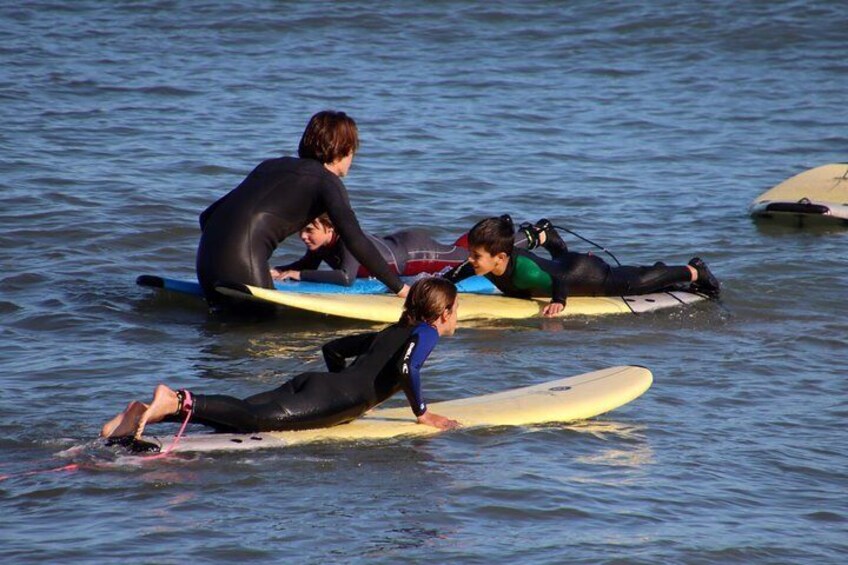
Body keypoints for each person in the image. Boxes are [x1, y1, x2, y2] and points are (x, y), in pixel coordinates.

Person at [100, 279, 461, 440]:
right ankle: (178, 398)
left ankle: (151, 413)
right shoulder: (426, 332)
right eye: (456, 310)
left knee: (238, 416)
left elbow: (333, 349)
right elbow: (406, 368)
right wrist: (423, 413)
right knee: (254, 421)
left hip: (315, 384)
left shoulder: (389, 332)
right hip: (333, 397)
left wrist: (344, 380)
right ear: (442, 313)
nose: (457, 316)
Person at [195, 110, 409, 308]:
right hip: (242, 262)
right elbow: (355, 240)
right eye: (353, 151)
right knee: (261, 333)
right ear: (343, 150)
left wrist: (223, 256)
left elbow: (207, 216)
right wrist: (399, 288)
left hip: (205, 261)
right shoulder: (327, 181)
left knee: (222, 329)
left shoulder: (270, 165)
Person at [442, 215, 720, 317]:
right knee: (558, 260)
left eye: (476, 256)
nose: (470, 260)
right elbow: (451, 277)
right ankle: (549, 238)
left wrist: (559, 302)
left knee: (637, 281)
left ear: (500, 258)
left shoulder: (524, 269)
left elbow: (558, 282)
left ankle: (694, 269)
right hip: (563, 265)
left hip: (584, 274)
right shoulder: (483, 265)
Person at [270, 214, 470, 286]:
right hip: (396, 242)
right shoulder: (321, 243)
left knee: (469, 257)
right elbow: (305, 266)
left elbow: (346, 278)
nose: (303, 236)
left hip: (417, 253)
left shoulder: (347, 240)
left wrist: (299, 275)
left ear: (329, 228)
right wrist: (278, 270)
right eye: (301, 231)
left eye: (309, 230)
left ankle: (496, 234)